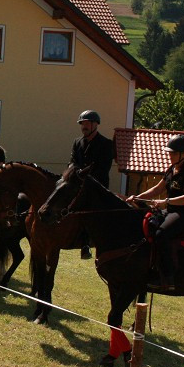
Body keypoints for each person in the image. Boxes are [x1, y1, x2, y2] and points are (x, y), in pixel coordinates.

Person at [127, 134, 184, 293]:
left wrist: (166, 202)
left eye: (173, 153)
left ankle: (167, 278)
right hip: (171, 211)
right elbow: (157, 189)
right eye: (169, 152)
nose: (169, 155)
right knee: (148, 225)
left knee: (161, 234)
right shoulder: (171, 169)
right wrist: (137, 197)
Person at [70, 110, 114, 259]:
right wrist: (72, 173)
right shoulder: (77, 142)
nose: (84, 126)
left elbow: (103, 170)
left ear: (95, 124)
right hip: (78, 184)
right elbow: (73, 163)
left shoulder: (106, 144)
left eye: (87, 123)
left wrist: (83, 178)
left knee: (90, 209)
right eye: (82, 123)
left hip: (97, 186)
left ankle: (86, 243)